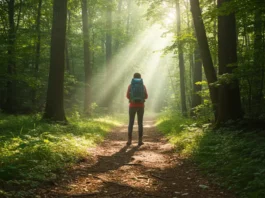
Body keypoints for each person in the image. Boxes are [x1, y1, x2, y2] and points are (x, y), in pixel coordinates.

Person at [126, 73, 148, 146]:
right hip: (141, 106)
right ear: (140, 78)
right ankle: (140, 140)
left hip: (132, 106)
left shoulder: (130, 86)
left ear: (133, 78)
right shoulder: (143, 86)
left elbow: (127, 96)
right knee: (140, 123)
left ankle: (129, 140)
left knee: (131, 123)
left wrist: (132, 99)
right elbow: (146, 96)